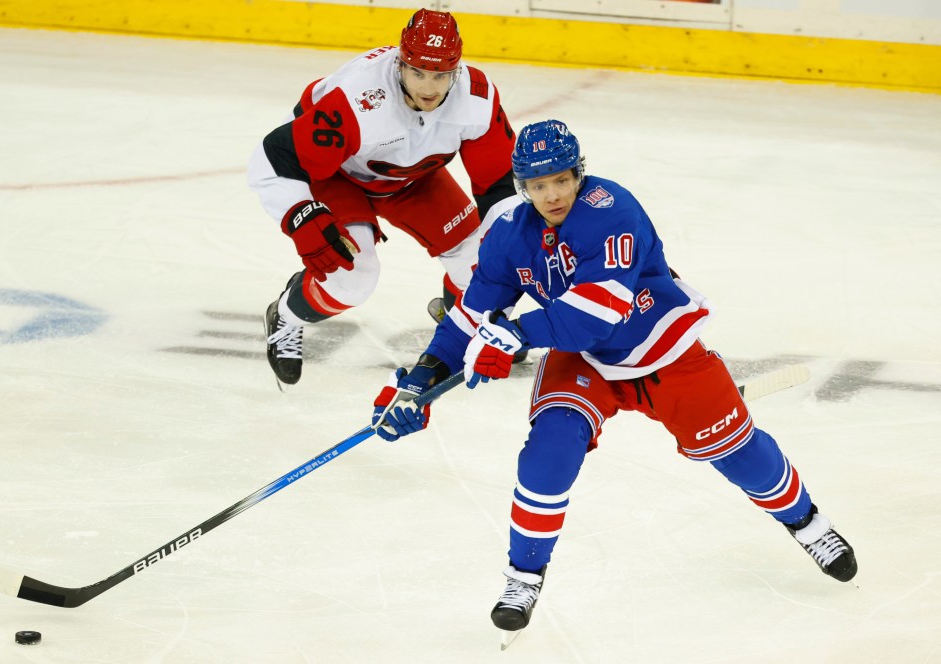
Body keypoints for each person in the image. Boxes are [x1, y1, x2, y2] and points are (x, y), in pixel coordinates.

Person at [369, 119, 857, 637]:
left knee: (736, 452)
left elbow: (597, 312)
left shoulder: (611, 209)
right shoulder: (509, 232)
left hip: (659, 344)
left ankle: (809, 524)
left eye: (561, 179)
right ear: (521, 187)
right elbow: (472, 317)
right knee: (549, 451)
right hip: (584, 361)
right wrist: (422, 378)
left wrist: (514, 333)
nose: (552, 194)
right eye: (538, 185)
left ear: (579, 172)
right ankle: (523, 577)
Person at [248, 8, 517, 387]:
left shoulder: (476, 97)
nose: (429, 87)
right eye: (418, 72)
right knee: (352, 278)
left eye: (441, 75)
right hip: (337, 175)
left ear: (456, 69)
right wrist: (300, 216)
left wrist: (506, 242)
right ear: (400, 64)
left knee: (484, 265)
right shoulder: (359, 98)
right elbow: (275, 155)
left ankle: (462, 317)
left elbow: (499, 184)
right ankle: (285, 316)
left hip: (414, 179)